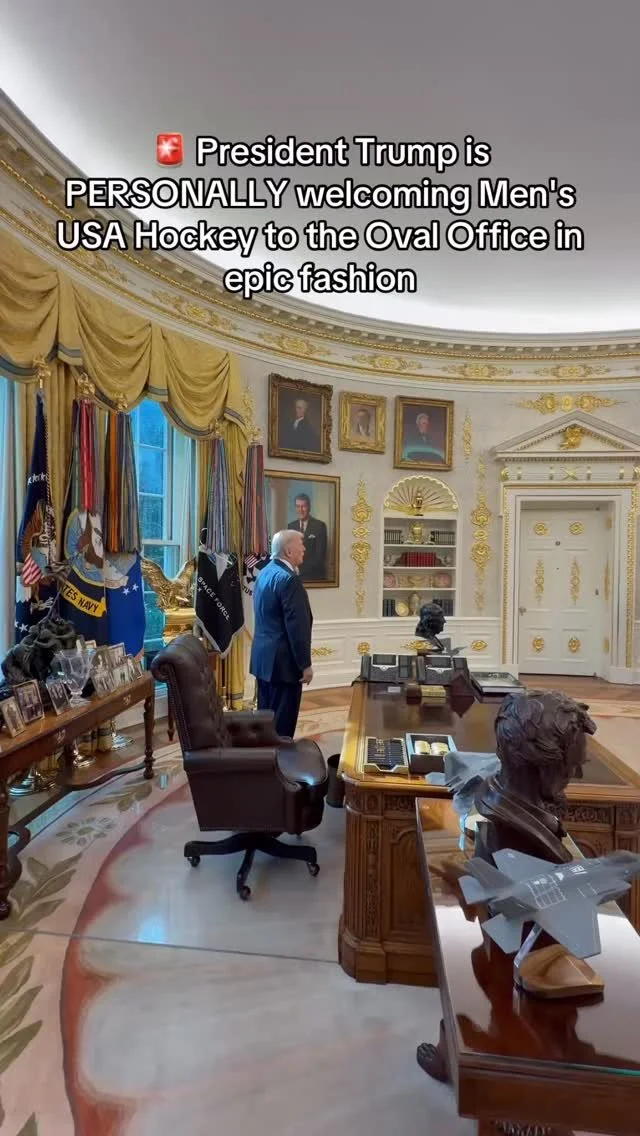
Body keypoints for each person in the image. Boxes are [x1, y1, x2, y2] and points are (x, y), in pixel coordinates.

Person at [249, 529, 313, 738]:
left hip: (263, 661)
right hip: (284, 666)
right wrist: (305, 665)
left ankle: (265, 756)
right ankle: (280, 758)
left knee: (266, 722)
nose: (304, 549)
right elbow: (297, 627)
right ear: (288, 550)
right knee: (282, 728)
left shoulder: (264, 572)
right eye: (301, 545)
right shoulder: (289, 579)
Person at [288, 493, 328, 582]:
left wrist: (299, 570)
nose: (300, 510)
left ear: (309, 507)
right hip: (294, 577)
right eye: (298, 506)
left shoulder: (320, 526)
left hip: (314, 577)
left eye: (303, 506)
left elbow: (320, 556)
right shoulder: (290, 526)